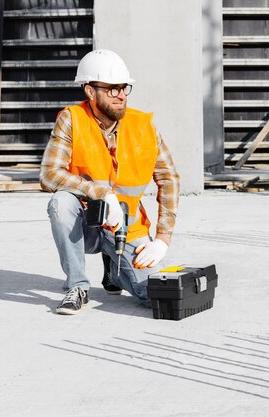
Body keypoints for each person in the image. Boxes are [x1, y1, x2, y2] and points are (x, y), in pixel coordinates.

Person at [40, 49, 180, 315]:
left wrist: (162, 239)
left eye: (124, 88)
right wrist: (101, 194)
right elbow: (49, 174)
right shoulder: (71, 120)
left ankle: (114, 273)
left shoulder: (144, 126)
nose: (121, 95)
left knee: (153, 295)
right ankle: (77, 286)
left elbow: (169, 177)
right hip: (86, 223)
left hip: (126, 227)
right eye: (112, 89)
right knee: (60, 202)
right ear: (90, 91)